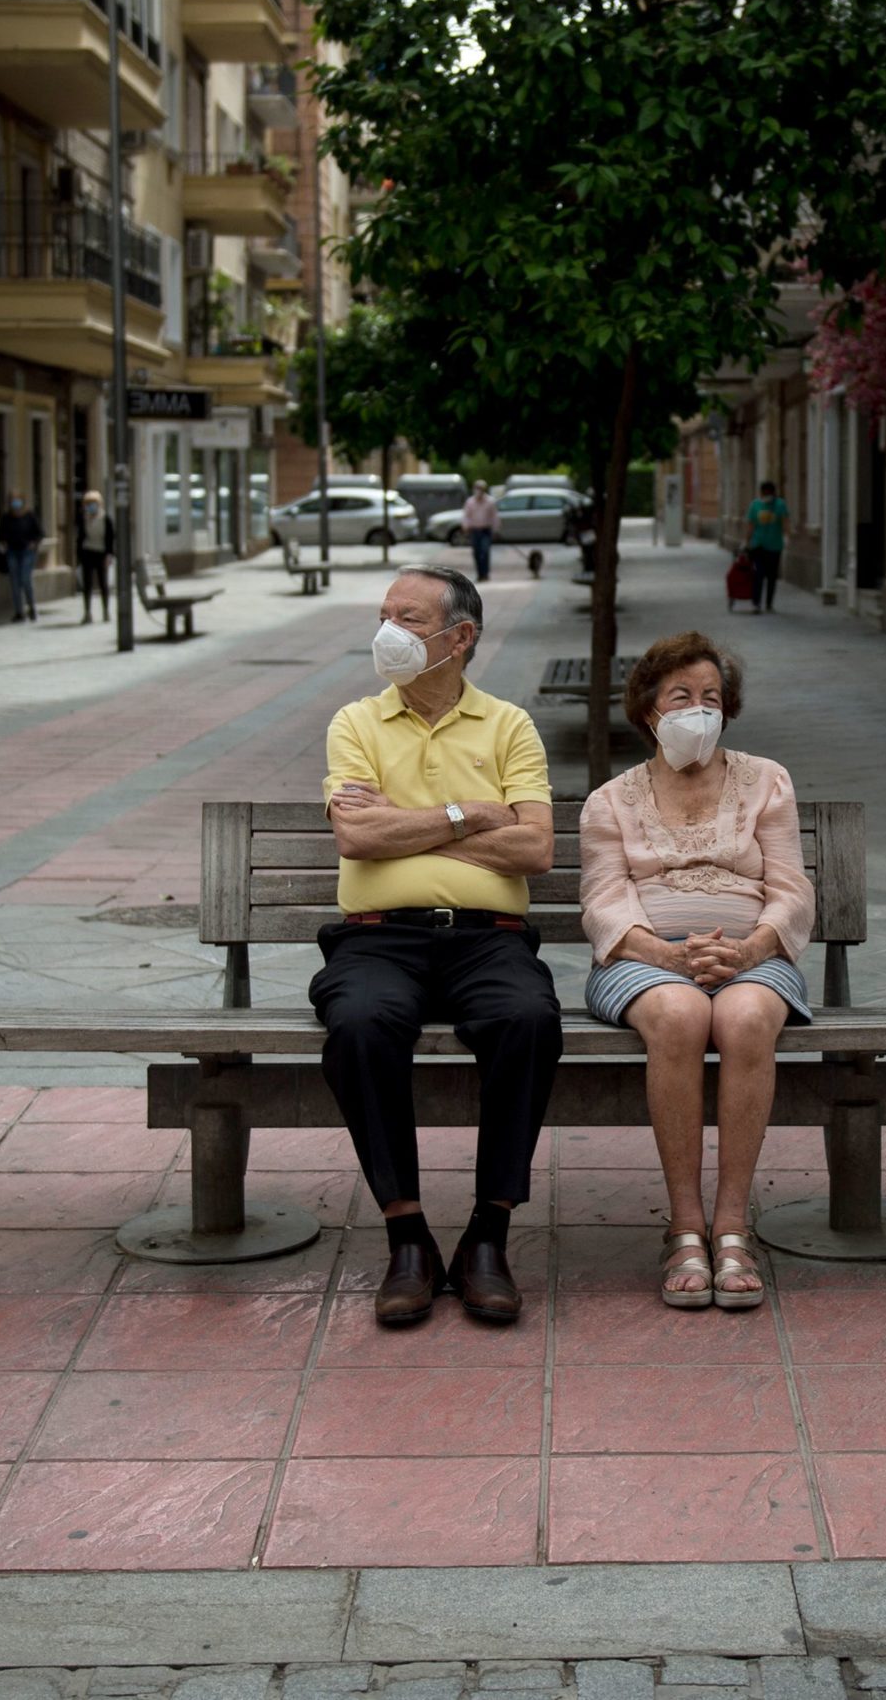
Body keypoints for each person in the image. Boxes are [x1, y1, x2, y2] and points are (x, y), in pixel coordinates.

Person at [312, 566, 561, 1328]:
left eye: (410, 619)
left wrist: (411, 831)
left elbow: (536, 852)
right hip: (377, 943)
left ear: (461, 638)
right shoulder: (355, 722)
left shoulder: (509, 725)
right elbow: (356, 834)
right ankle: (407, 1234)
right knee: (358, 1024)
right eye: (384, 614)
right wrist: (473, 814)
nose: (388, 632)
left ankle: (489, 1234)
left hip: (491, 942)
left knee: (528, 1019)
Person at [576, 631, 810, 1310]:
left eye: (711, 697)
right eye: (682, 695)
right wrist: (667, 955)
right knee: (680, 1013)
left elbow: (792, 889)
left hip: (752, 955)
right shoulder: (610, 801)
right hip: (640, 958)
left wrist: (750, 949)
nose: (698, 709)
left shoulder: (767, 780)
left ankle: (732, 1225)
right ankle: (684, 1226)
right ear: (649, 707)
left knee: (744, 1015)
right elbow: (603, 902)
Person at [742, 479, 788, 614]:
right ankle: (756, 603)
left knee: (772, 576)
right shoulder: (755, 505)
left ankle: (769, 603)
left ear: (773, 493)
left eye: (769, 492)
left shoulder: (780, 505)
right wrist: (747, 541)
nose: (766, 494)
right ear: (761, 492)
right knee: (758, 574)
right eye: (764, 492)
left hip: (774, 547)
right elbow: (750, 525)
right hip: (758, 546)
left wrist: (786, 537)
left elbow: (785, 522)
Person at [0, 493, 44, 622]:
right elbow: (1, 535)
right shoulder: (6, 518)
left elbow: (39, 533)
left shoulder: (29, 516)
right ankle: (19, 612)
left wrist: (34, 543)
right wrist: (3, 543)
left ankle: (32, 608)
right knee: (15, 583)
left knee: (25, 579)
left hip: (27, 552)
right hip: (12, 552)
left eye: (17, 500)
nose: (15, 503)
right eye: (13, 501)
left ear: (22, 501)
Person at [74, 489, 116, 623]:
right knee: (87, 584)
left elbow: (110, 538)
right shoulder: (84, 519)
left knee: (103, 583)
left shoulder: (105, 518)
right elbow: (80, 538)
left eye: (93, 503)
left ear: (99, 504)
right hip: (88, 552)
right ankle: (87, 612)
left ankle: (106, 611)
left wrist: (109, 555)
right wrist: (79, 555)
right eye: (88, 504)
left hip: (101, 553)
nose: (90, 506)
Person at [459, 482, 499, 580]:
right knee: (477, 553)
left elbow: (494, 516)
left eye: (481, 488)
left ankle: (485, 574)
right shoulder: (470, 502)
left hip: (486, 530)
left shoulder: (490, 501)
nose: (478, 490)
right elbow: (466, 516)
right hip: (475, 530)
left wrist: (496, 529)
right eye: (477, 488)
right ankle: (480, 574)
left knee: (484, 552)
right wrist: (465, 526)